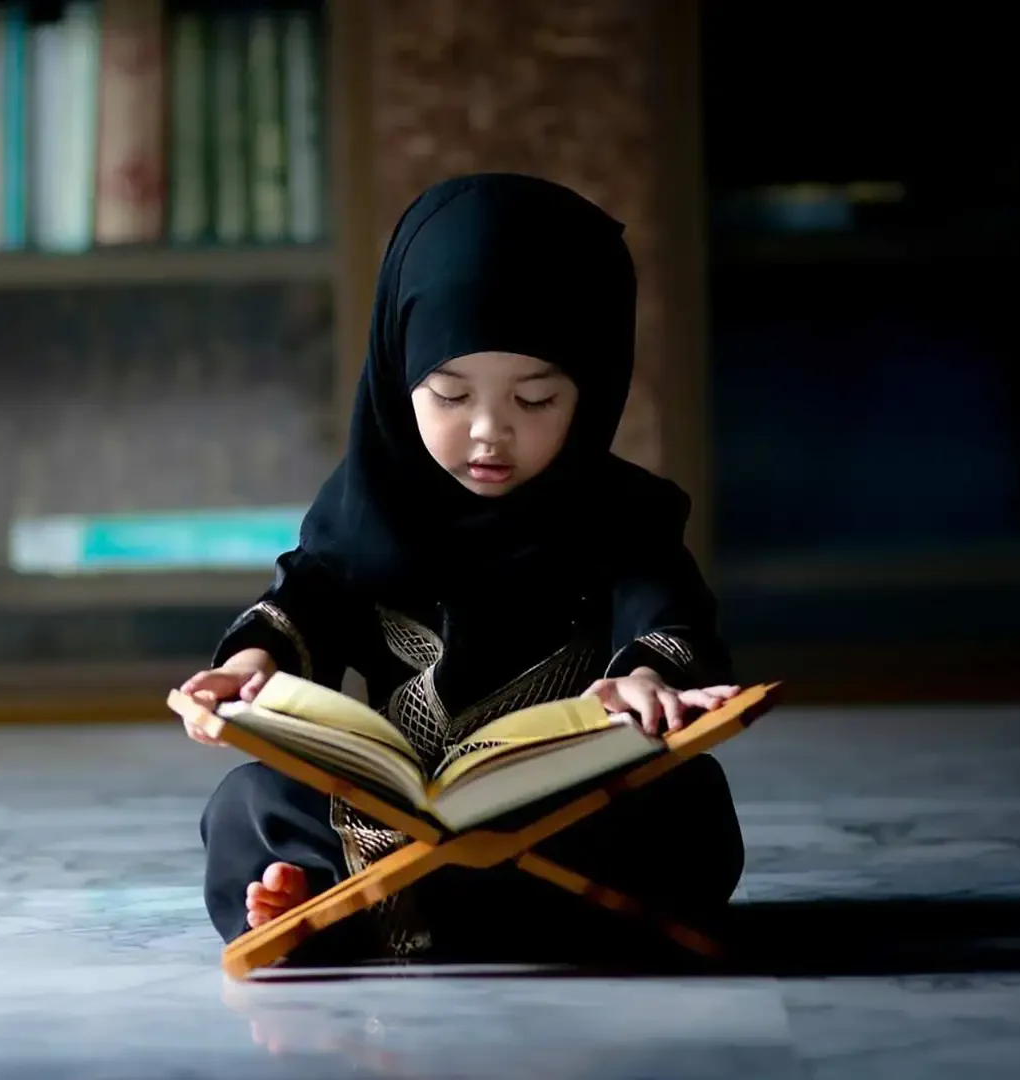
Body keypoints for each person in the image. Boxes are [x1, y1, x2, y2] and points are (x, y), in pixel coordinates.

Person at [181, 174, 748, 964]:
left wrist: (646, 677)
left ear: (593, 388)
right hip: (398, 803)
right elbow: (304, 600)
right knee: (249, 803)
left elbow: (669, 615)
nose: (489, 433)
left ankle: (369, 909)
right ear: (396, 368)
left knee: (687, 807)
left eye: (537, 400)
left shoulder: (624, 514)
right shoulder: (366, 507)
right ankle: (328, 896)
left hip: (560, 802)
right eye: (449, 394)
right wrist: (250, 665)